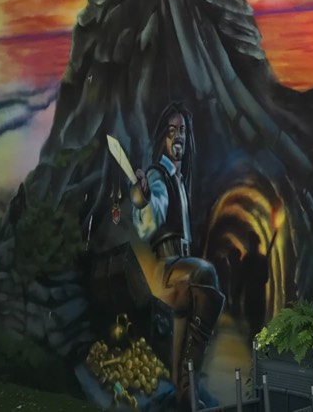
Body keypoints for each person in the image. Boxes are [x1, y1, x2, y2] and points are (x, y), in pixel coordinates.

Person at [132, 102, 224, 409]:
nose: (178, 136)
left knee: (187, 329)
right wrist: (144, 198)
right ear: (163, 137)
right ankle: (186, 386)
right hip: (166, 268)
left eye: (182, 130)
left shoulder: (180, 180)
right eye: (172, 131)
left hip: (181, 269)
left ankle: (185, 389)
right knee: (206, 274)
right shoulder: (159, 175)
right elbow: (150, 218)